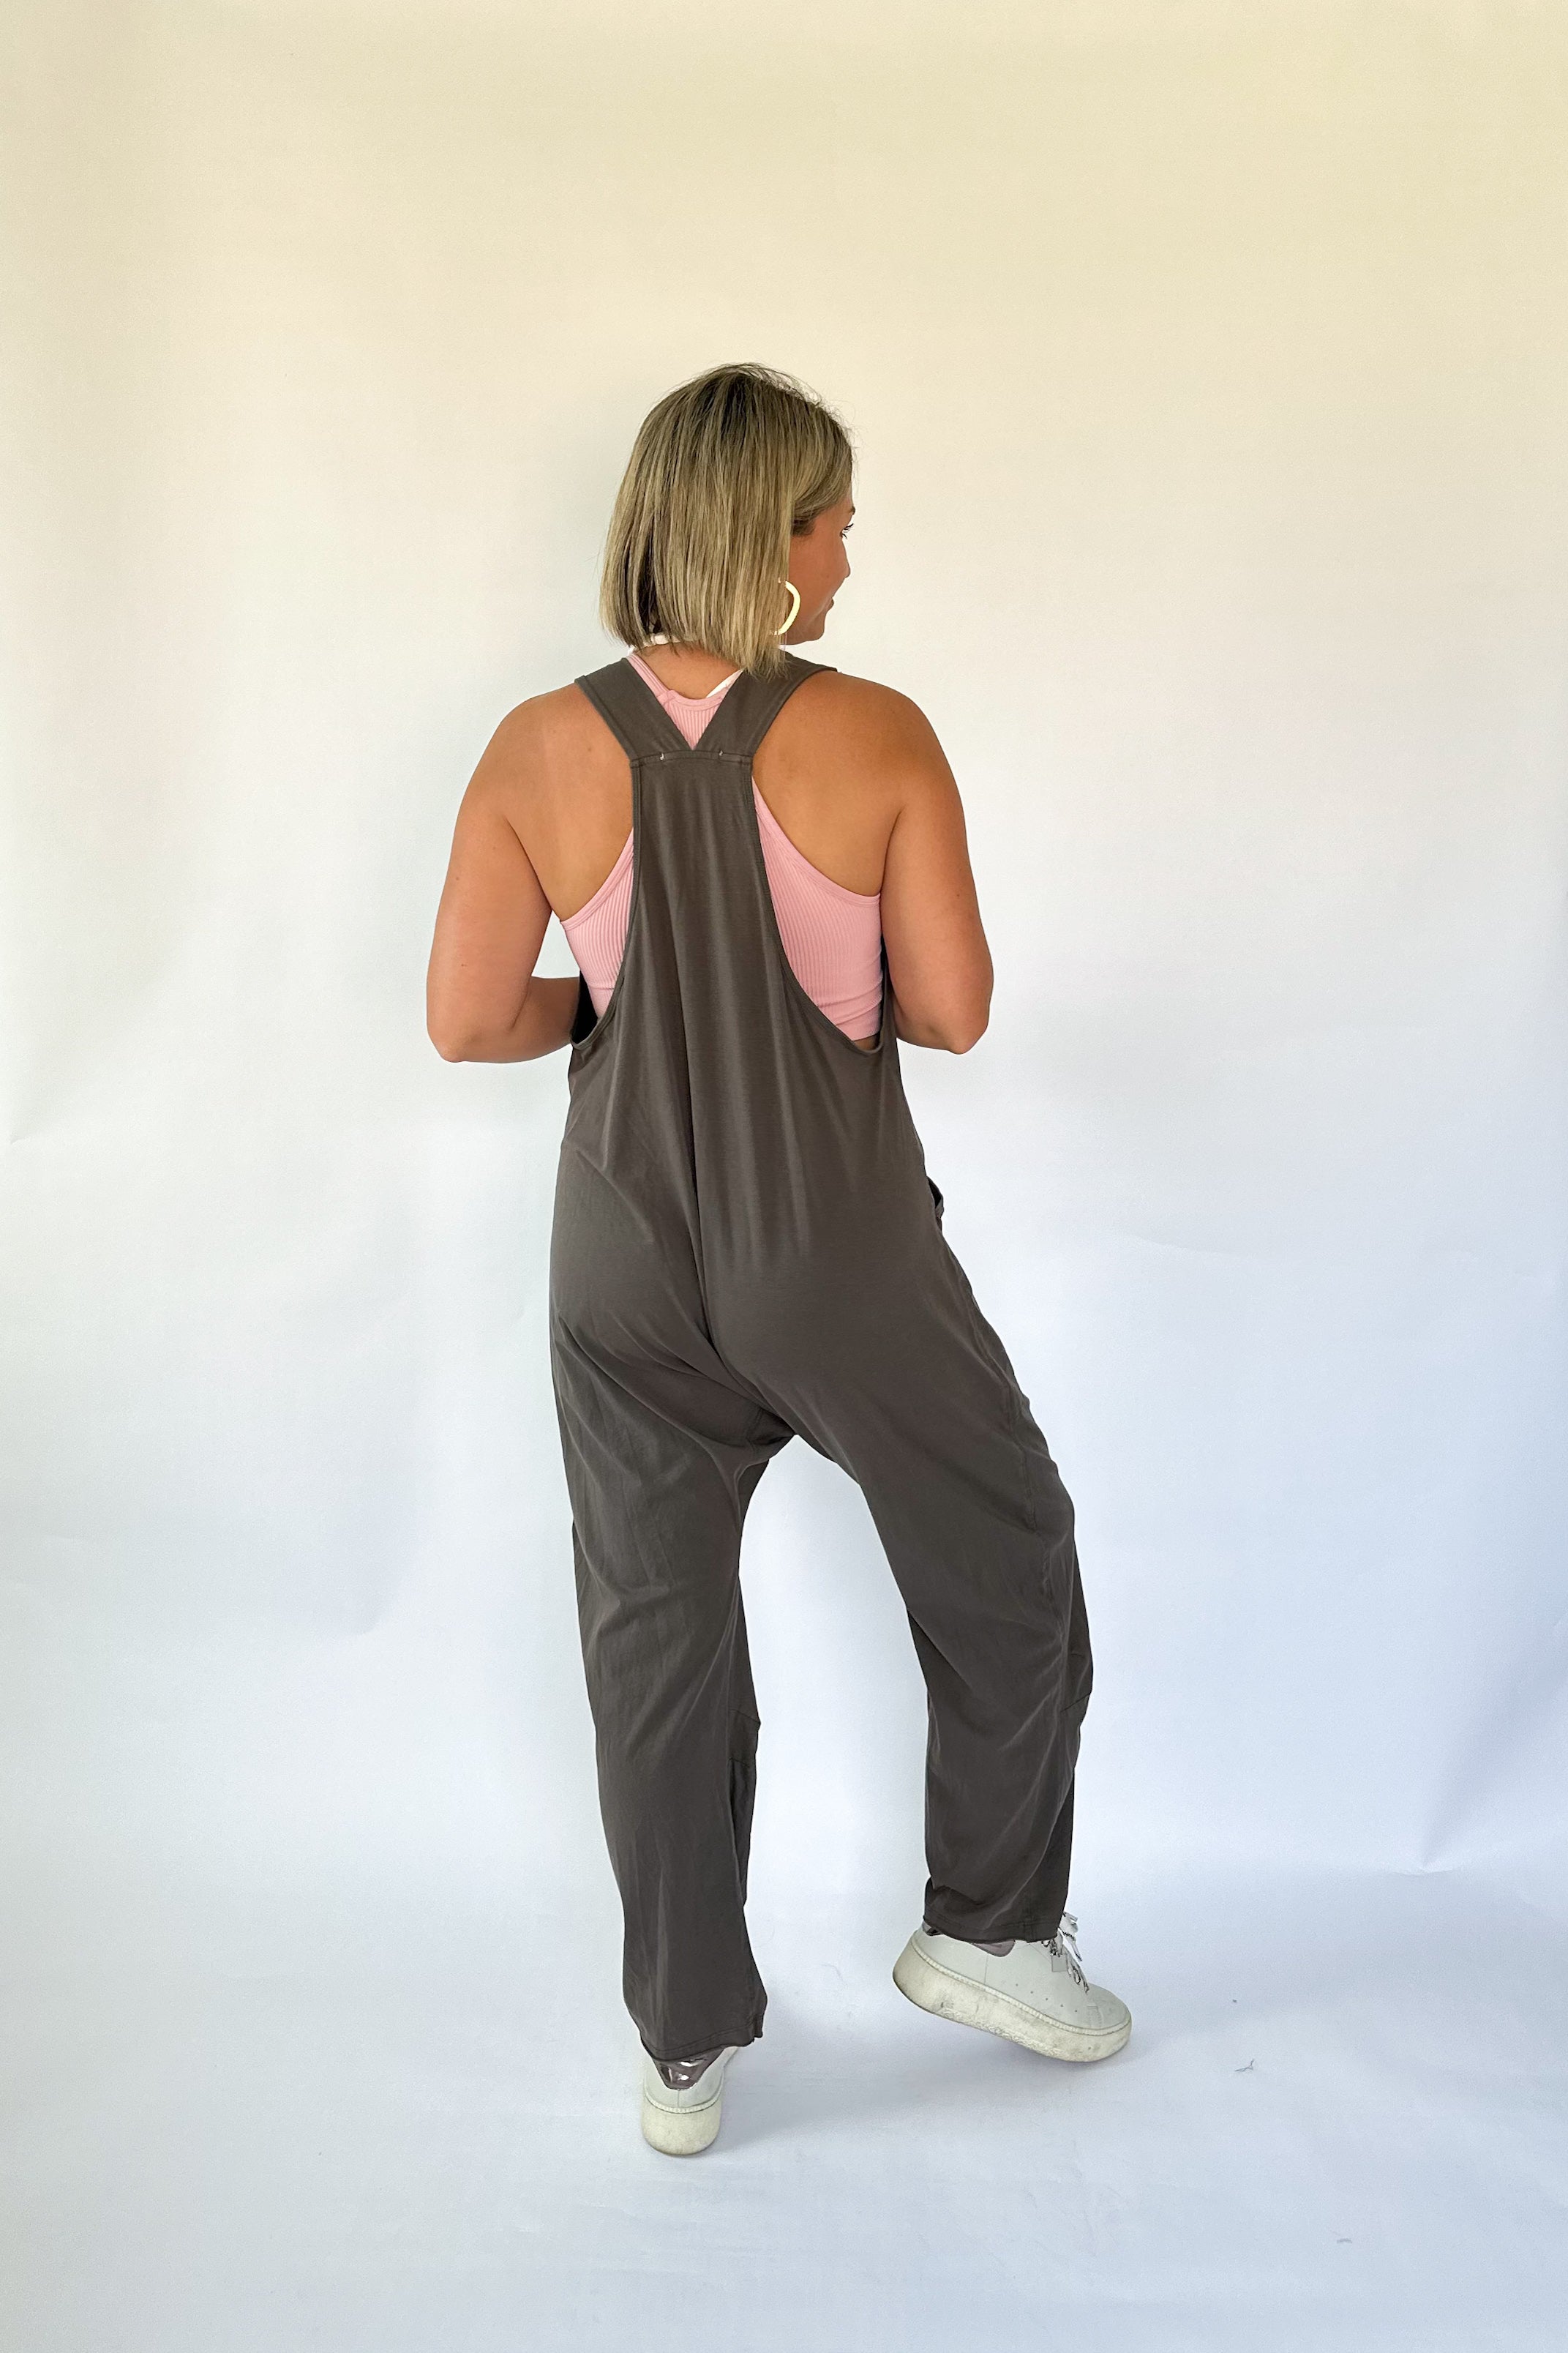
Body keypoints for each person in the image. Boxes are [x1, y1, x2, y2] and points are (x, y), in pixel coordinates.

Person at [427, 363, 1130, 2157]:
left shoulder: (531, 747)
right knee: (1007, 1551)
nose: (845, 558)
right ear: (769, 534)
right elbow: (952, 1012)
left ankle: (680, 2041)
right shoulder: (874, 734)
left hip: (617, 1258)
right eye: (832, 523)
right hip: (830, 1251)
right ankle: (988, 1931)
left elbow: (468, 1019)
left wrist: (628, 998)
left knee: (653, 1633)